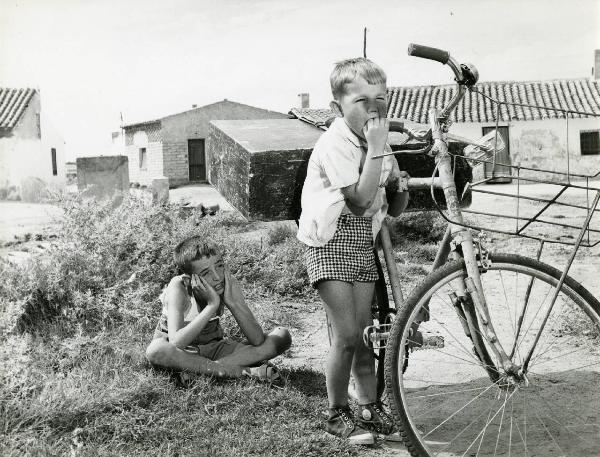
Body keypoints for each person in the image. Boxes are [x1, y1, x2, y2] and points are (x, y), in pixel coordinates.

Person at [297, 57, 409, 444]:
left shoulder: (379, 144)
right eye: (362, 100)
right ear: (338, 108)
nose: (374, 109)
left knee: (364, 334)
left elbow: (389, 210)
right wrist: (378, 149)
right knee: (345, 334)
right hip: (329, 242)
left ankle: (368, 405)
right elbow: (360, 200)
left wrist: (400, 189)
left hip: (361, 243)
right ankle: (335, 412)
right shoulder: (335, 142)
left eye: (381, 99)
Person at [146, 236, 292, 383]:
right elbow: (177, 342)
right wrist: (211, 305)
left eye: (219, 265)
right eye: (205, 273)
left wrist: (232, 303)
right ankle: (241, 371)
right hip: (182, 352)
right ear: (188, 279)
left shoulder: (227, 282)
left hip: (213, 348)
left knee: (281, 335)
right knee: (156, 350)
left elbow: (257, 339)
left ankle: (203, 371)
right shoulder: (179, 288)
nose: (217, 276)